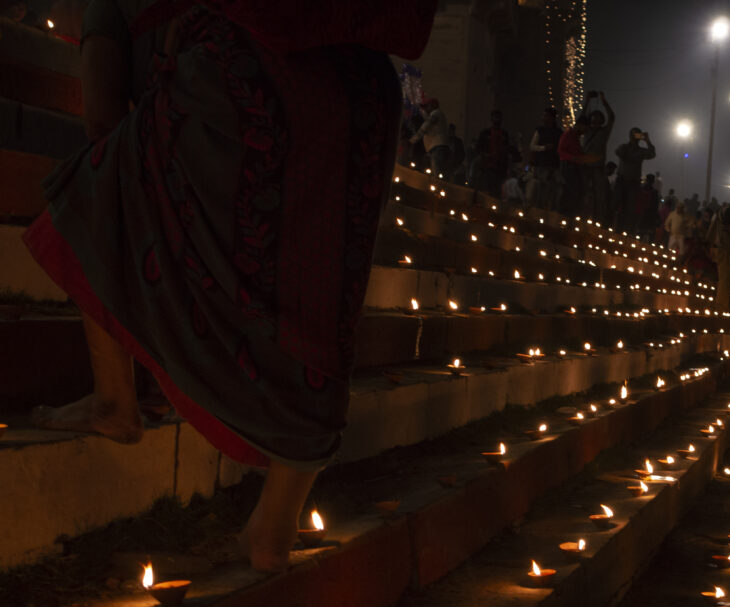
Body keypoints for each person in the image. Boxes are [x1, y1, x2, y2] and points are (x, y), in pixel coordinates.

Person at [23, 0, 438, 573]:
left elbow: (99, 124)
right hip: (361, 92)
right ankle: (272, 529)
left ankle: (114, 401)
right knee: (319, 299)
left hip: (249, 78)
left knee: (91, 194)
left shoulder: (105, 8)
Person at [706, 191, 730, 310]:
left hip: (720, 245)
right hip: (724, 245)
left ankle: (724, 302)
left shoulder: (724, 209)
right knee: (725, 277)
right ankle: (723, 304)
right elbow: (728, 227)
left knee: (726, 276)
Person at [579, 90, 615, 222]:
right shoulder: (586, 131)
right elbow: (581, 119)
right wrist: (587, 100)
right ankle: (582, 217)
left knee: (599, 196)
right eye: (593, 118)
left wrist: (604, 101)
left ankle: (597, 221)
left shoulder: (604, 132)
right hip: (585, 167)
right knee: (583, 193)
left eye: (598, 119)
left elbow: (612, 117)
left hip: (598, 168)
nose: (595, 121)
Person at [612, 127, 655, 232]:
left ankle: (625, 230)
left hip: (633, 182)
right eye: (633, 134)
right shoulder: (624, 147)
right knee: (615, 204)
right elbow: (618, 152)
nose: (635, 136)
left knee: (629, 208)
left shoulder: (641, 151)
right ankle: (612, 226)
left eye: (637, 134)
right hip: (622, 179)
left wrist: (647, 140)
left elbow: (652, 154)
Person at [474, 109, 516, 198]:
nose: (497, 119)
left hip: (500, 167)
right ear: (491, 119)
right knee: (487, 189)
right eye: (495, 117)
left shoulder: (504, 134)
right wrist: (485, 155)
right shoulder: (485, 133)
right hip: (487, 165)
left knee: (497, 191)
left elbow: (507, 149)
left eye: (499, 117)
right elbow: (478, 147)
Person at [526, 106, 561, 211]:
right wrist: (544, 148)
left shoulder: (558, 133)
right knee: (539, 191)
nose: (544, 117)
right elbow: (532, 146)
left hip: (553, 166)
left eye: (546, 115)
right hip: (541, 165)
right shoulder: (540, 130)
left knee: (549, 192)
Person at [409, 96, 449, 177]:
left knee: (437, 173)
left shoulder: (436, 114)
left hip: (437, 147)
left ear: (433, 106)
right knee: (436, 172)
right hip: (436, 148)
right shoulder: (437, 114)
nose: (425, 109)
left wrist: (412, 140)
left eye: (427, 106)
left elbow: (425, 127)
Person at [557, 115, 585, 215]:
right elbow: (560, 150)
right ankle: (564, 212)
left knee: (573, 189)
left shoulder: (576, 138)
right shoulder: (568, 135)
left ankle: (568, 212)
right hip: (568, 165)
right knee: (570, 189)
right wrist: (572, 157)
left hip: (573, 165)